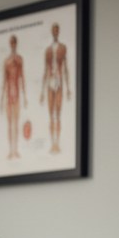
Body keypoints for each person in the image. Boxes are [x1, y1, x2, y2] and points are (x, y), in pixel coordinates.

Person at [41, 22, 71, 154]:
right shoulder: (47, 51)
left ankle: (57, 144)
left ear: (58, 32)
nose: (55, 32)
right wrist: (42, 91)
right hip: (50, 82)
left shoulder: (63, 48)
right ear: (51, 32)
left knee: (57, 114)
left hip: (58, 81)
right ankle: (52, 144)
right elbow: (46, 71)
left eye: (56, 30)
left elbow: (65, 68)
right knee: (50, 115)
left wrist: (68, 87)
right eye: (53, 30)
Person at [1, 34, 27, 159]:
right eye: (11, 42)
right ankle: (10, 151)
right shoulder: (6, 61)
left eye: (14, 41)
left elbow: (22, 78)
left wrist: (25, 96)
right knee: (9, 124)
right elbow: (4, 81)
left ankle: (15, 150)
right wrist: (1, 99)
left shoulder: (19, 60)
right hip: (8, 97)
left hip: (16, 95)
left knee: (15, 124)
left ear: (16, 43)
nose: (12, 44)